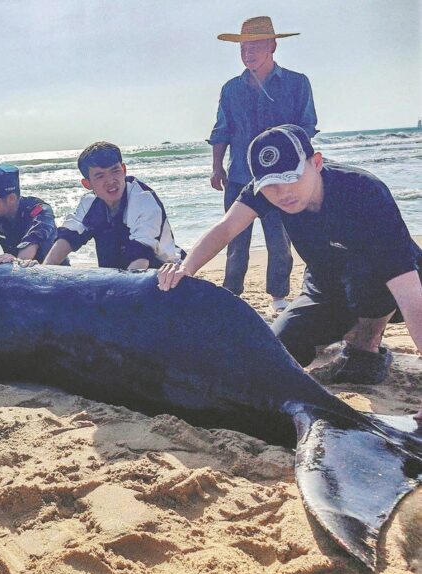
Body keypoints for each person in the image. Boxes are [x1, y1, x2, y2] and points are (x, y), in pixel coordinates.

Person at [158, 125, 422, 386]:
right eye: (271, 185)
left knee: (363, 274)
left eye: (291, 178)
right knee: (279, 350)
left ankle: (367, 347)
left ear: (316, 162)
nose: (283, 193)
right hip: (326, 286)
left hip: (387, 284)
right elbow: (226, 228)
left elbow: (408, 291)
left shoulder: (364, 193)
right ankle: (347, 335)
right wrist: (186, 267)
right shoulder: (267, 190)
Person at [209, 16, 318, 313]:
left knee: (279, 241)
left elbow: (307, 127)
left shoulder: (297, 83)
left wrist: (303, 171)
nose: (248, 52)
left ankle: (279, 298)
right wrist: (217, 167)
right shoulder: (231, 89)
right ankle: (231, 295)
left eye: (255, 45)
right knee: (234, 239)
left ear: (273, 45)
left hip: (282, 178)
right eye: (243, 47)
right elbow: (221, 130)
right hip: (239, 177)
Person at [43, 141, 183, 270]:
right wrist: (44, 270)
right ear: (87, 184)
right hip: (119, 274)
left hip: (164, 271)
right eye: (100, 176)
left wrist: (122, 294)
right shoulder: (89, 203)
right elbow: (69, 236)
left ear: (124, 170)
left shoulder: (143, 201)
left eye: (115, 171)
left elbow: (141, 256)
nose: (110, 181)